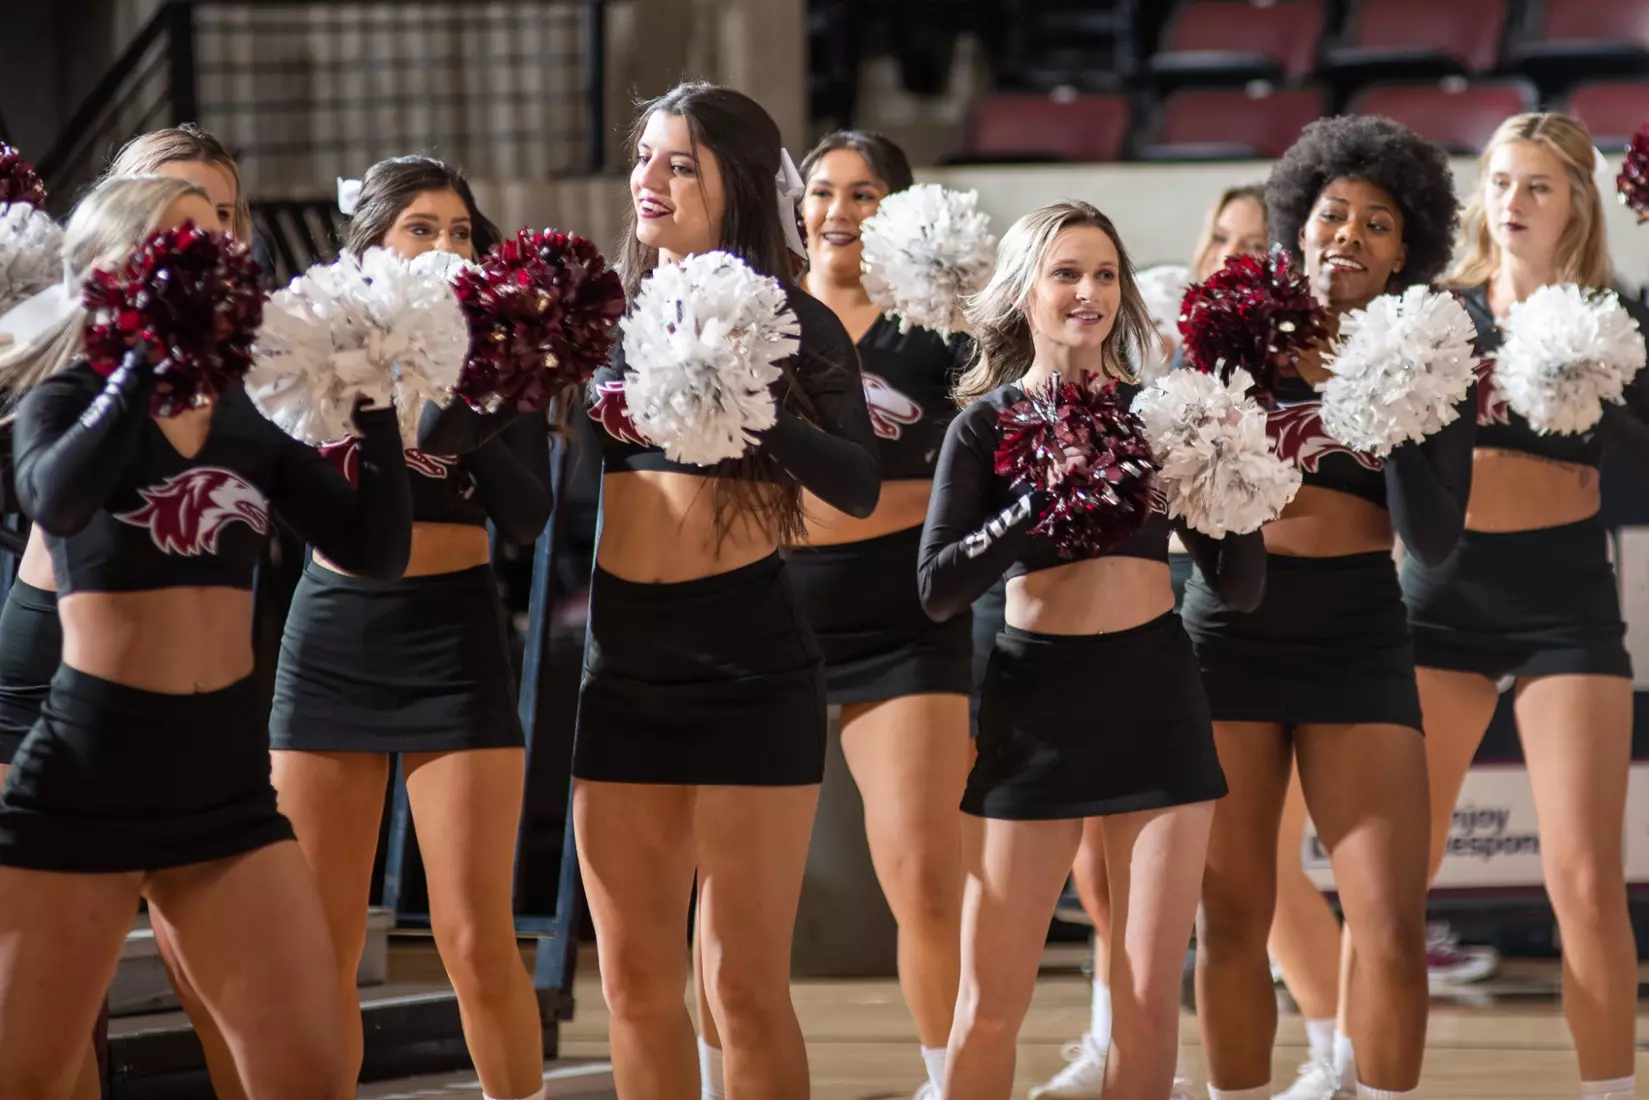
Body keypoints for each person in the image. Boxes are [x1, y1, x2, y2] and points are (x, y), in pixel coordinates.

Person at [0, 173, 412, 1099]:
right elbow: (56, 499)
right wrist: (142, 359)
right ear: (111, 270)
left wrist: (375, 404)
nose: (208, 258)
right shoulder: (62, 399)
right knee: (26, 1076)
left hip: (223, 788)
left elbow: (373, 549)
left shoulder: (247, 420)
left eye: (215, 240)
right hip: (85, 778)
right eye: (175, 243)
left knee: (309, 1075)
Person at [571, 81, 879, 1100]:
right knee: (630, 981)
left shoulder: (793, 320)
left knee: (738, 986)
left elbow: (856, 480)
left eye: (680, 164)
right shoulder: (598, 318)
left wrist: (761, 413)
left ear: (736, 184)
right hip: (624, 666)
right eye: (644, 158)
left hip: (750, 660)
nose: (649, 182)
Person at [920, 199, 1240, 1100]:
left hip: (1154, 697)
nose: (1088, 292)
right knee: (988, 1002)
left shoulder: (1157, 415)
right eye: (1066, 273)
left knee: (1144, 1001)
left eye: (1105, 274)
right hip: (1038, 705)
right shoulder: (981, 427)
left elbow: (1237, 581)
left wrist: (1232, 478)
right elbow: (938, 586)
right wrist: (1033, 504)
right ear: (1026, 292)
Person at [1185, 115, 1471, 1100]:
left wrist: (1381, 401)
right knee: (1227, 914)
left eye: (1377, 223)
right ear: (1295, 223)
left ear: (1406, 251)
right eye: (1331, 212)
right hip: (1226, 631)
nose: (1347, 234)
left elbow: (1432, 537)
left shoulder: (1428, 354)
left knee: (1387, 923)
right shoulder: (1225, 334)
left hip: (1355, 630)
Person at [266, 155, 553, 1100]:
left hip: (453, 638)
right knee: (323, 939)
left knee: (474, 937)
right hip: (335, 636)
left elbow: (528, 512)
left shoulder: (494, 355)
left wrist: (454, 410)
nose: (442, 246)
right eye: (420, 228)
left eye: (460, 230)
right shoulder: (323, 345)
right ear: (373, 246)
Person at [695, 128, 972, 1100]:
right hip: (762, 613)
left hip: (903, 626)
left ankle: (950, 1080)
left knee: (926, 880)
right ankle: (714, 1078)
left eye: (864, 193)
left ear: (898, 209)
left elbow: (950, 486)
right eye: (821, 191)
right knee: (726, 895)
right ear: (794, 206)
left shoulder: (943, 332)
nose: (839, 211)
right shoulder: (757, 315)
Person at [0, 125, 258, 1100]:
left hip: (184, 683)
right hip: (43, 660)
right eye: (172, 207)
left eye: (222, 214)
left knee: (221, 979)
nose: (197, 233)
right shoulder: (55, 342)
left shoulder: (253, 360)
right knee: (49, 989)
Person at [1398, 111, 1649, 1100]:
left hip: (1562, 604)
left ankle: (1606, 1092)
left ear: (1575, 202)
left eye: (1536, 185)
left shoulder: (1615, 316)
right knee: (1393, 884)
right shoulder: (1431, 314)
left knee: (1583, 880)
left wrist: (1596, 387)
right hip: (1439, 601)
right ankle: (1356, 1071)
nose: (1512, 202)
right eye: (1499, 181)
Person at [1030, 180, 1287, 1100]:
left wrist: (1230, 486)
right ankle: (1105, 1038)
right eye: (1220, 234)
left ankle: (1328, 1042)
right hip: (1078, 631)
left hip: (1180, 627)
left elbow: (1237, 562)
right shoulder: (1130, 348)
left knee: (1234, 889)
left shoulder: (1217, 376)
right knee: (1094, 878)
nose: (1231, 253)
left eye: (1252, 239)